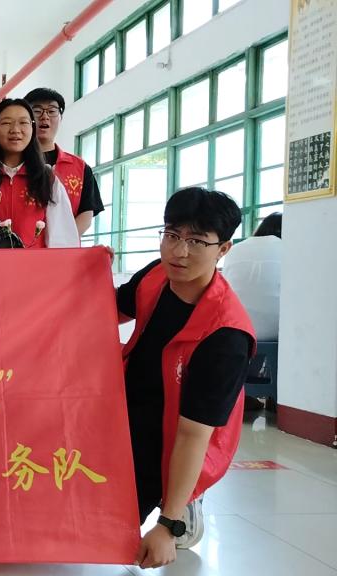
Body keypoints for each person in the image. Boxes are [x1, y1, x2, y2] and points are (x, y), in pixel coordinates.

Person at [116, 188, 254, 569]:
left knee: (113, 521)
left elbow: (193, 435)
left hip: (177, 430)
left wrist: (167, 525)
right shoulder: (156, 275)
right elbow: (110, 307)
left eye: (196, 241)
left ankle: (183, 505)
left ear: (222, 249)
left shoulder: (226, 336)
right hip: (130, 401)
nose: (179, 251)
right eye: (172, 235)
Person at [0, 98, 79, 248]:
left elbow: (63, 241)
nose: (15, 129)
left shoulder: (47, 179)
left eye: (23, 122)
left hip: (35, 263)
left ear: (33, 128)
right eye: (6, 123)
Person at [24, 88, 105, 235]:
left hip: (65, 246)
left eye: (52, 111)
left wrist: (64, 241)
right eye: (37, 111)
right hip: (22, 247)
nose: (44, 116)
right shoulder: (14, 164)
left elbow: (86, 213)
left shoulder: (80, 168)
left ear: (61, 117)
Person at [222, 213, 282, 341]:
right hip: (278, 333)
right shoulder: (289, 249)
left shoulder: (234, 250)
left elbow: (224, 289)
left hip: (235, 329)